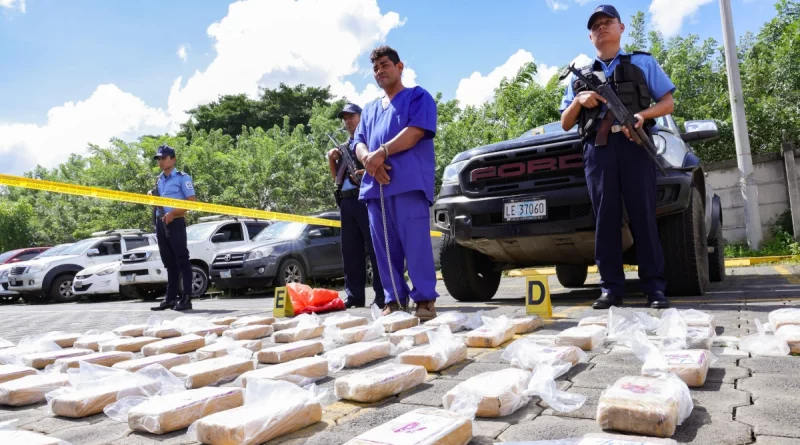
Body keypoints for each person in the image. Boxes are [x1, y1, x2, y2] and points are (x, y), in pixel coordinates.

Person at [560, 5, 675, 309]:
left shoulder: (642, 62)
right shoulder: (582, 74)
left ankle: (654, 288)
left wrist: (641, 115)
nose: (602, 27)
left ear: (621, 28)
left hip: (635, 145)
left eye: (608, 22)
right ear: (590, 36)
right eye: (596, 25)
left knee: (643, 216)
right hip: (598, 151)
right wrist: (580, 100)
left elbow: (668, 102)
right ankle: (611, 289)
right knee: (606, 219)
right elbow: (565, 122)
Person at [353, 45, 439, 320]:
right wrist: (369, 160)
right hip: (375, 188)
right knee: (383, 248)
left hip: (408, 184)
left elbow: (415, 132)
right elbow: (359, 142)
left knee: (416, 245)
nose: (379, 71)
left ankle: (424, 300)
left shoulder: (417, 97)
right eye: (375, 68)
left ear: (399, 67)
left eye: (385, 65)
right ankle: (394, 299)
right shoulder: (368, 110)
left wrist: (383, 153)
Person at [327, 102, 386, 309]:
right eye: (345, 118)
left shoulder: (369, 142)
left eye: (351, 116)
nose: (348, 121)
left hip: (366, 198)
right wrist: (331, 159)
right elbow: (336, 178)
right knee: (350, 251)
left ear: (361, 117)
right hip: (346, 200)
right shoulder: (342, 148)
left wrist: (364, 173)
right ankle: (354, 295)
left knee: (375, 247)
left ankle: (382, 295)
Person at [149, 145, 197, 312]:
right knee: (169, 262)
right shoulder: (159, 179)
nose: (160, 161)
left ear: (173, 159)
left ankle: (187, 298)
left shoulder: (182, 178)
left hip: (175, 222)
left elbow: (192, 203)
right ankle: (170, 298)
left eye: (164, 158)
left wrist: (174, 214)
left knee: (182, 260)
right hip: (161, 223)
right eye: (159, 159)